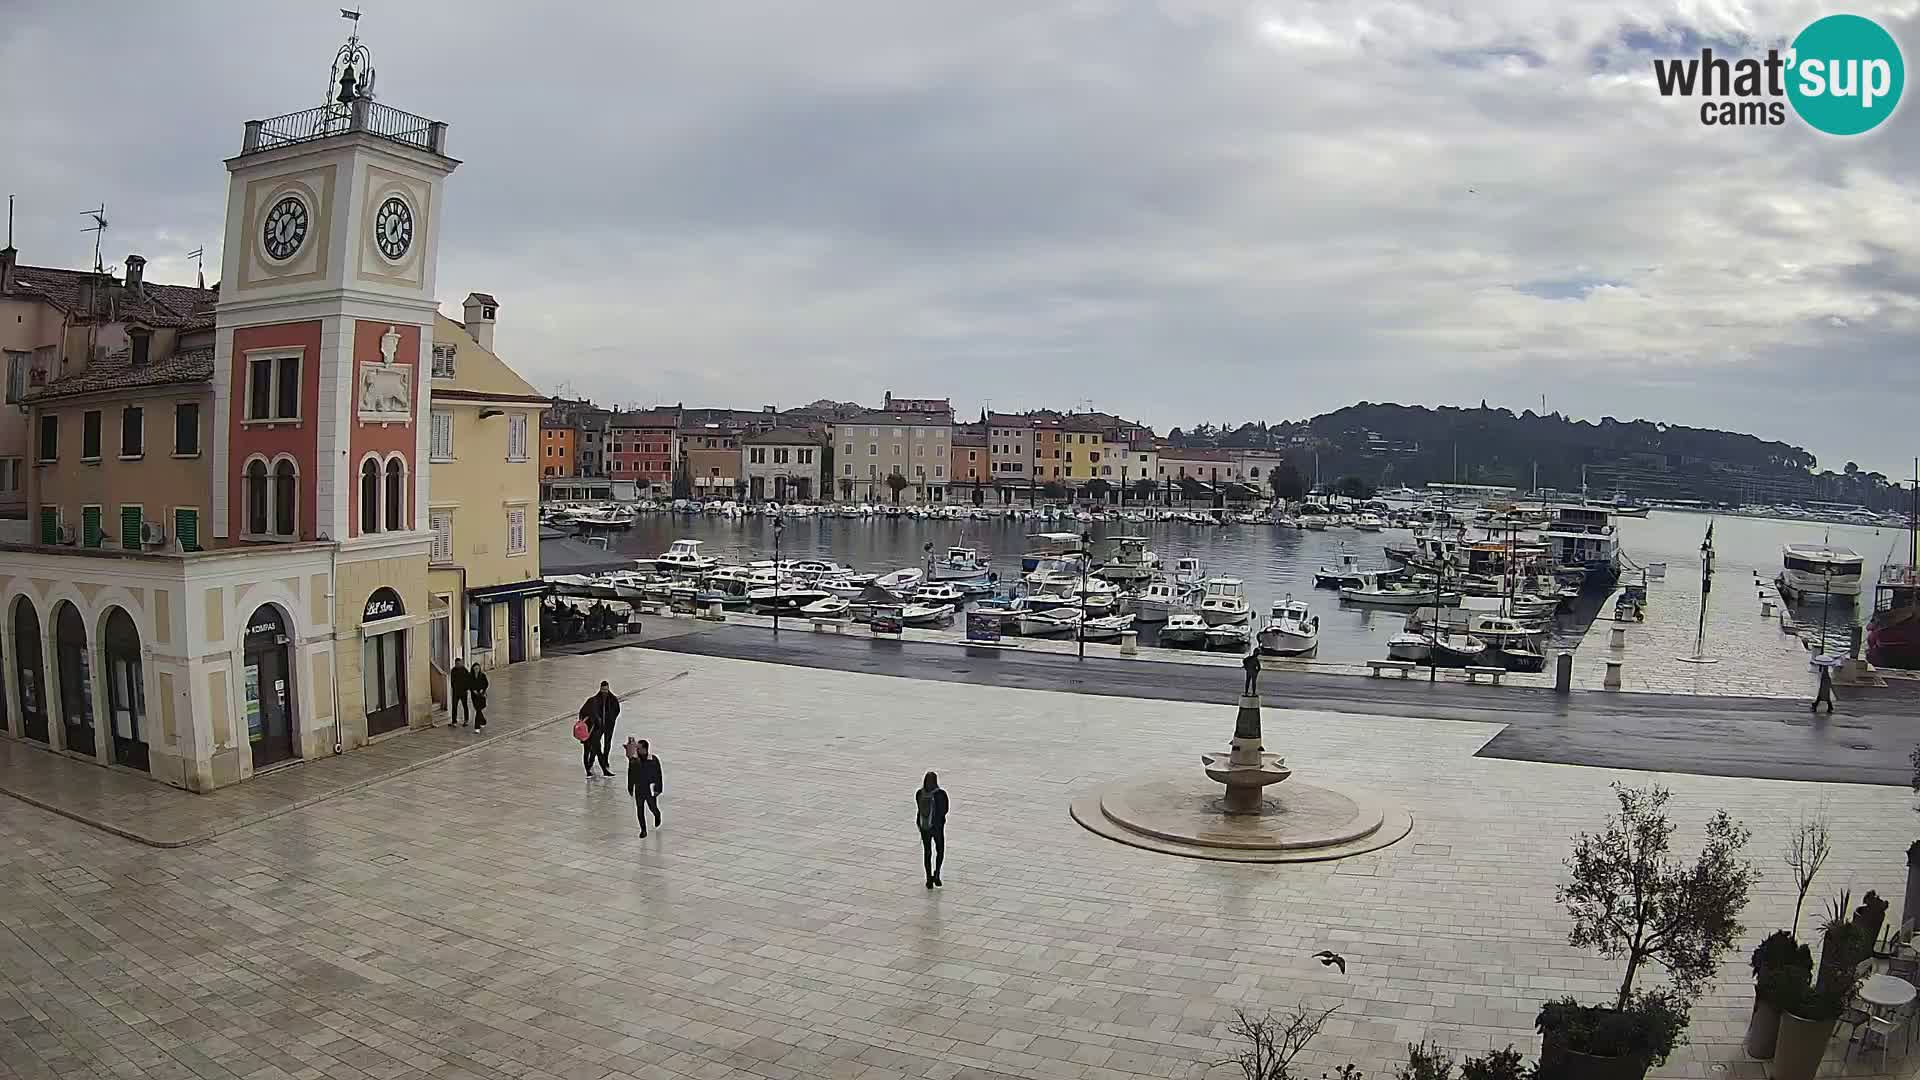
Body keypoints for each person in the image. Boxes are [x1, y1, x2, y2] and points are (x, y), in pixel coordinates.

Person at [578, 680, 620, 777]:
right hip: (591, 731)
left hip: (603, 728)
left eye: (606, 689)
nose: (604, 691)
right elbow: (582, 713)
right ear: (600, 689)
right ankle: (589, 768)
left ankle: (604, 768)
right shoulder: (593, 700)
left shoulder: (612, 699)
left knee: (600, 749)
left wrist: (611, 719)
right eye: (603, 689)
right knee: (588, 751)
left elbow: (617, 710)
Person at [915, 771, 949, 889]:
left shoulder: (919, 793)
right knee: (940, 850)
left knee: (927, 852)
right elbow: (945, 810)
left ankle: (928, 878)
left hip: (924, 827)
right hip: (937, 828)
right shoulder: (941, 794)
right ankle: (937, 874)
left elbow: (919, 808)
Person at [626, 737, 664, 836]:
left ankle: (657, 815)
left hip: (649, 788)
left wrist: (658, 789)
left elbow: (658, 775)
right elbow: (630, 773)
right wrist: (630, 787)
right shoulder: (634, 760)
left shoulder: (653, 759)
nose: (637, 750)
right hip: (639, 787)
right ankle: (643, 830)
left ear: (645, 749)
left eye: (639, 748)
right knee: (640, 809)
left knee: (652, 807)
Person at [449, 657, 471, 726]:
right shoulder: (453, 670)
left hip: (463, 692)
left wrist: (466, 689)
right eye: (456, 663)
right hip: (455, 692)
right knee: (454, 706)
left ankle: (466, 720)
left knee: (465, 706)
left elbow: (468, 680)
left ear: (461, 663)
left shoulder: (465, 670)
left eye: (459, 663)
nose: (458, 664)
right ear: (455, 663)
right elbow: (452, 681)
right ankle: (454, 721)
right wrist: (453, 689)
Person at [470, 665, 489, 732]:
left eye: (477, 668)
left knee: (478, 710)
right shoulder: (471, 676)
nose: (476, 670)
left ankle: (477, 727)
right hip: (474, 696)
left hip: (481, 695)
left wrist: (482, 689)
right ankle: (483, 721)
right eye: (475, 668)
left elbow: (486, 684)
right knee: (478, 709)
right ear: (473, 669)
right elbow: (469, 684)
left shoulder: (482, 675)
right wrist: (473, 690)